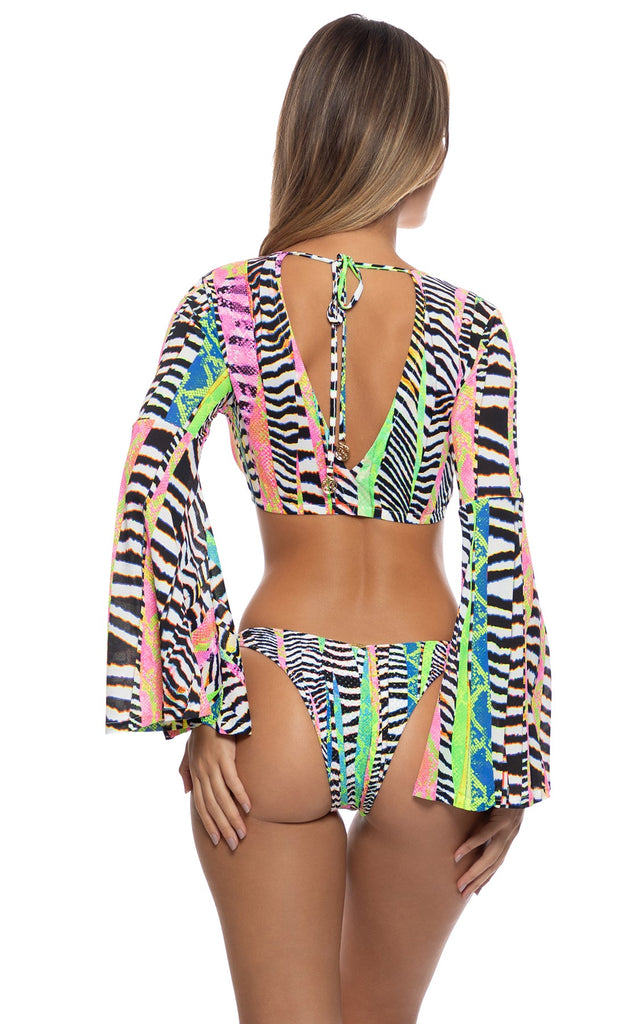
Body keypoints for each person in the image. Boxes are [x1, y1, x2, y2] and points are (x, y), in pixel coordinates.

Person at [105, 14, 551, 1024]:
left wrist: (202, 700)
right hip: (437, 712)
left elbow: (152, 482)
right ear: (409, 146)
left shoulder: (224, 304)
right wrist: (508, 757)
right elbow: (499, 539)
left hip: (273, 698)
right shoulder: (471, 326)